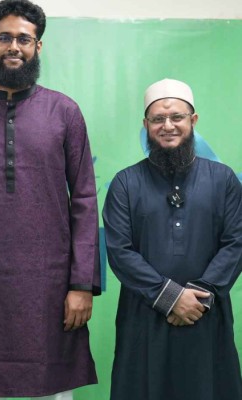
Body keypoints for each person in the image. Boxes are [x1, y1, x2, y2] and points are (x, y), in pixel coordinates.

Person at [0, 0, 101, 398]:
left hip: (50, 289)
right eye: (4, 38)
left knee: (53, 387)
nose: (14, 47)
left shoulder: (64, 112)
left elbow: (84, 200)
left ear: (38, 46)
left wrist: (82, 284)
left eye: (24, 39)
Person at [103, 78, 242, 400]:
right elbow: (120, 251)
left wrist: (200, 296)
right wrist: (169, 298)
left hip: (205, 315)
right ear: (146, 125)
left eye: (177, 117)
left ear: (193, 121)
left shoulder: (223, 180)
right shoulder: (125, 183)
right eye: (158, 119)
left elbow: (236, 243)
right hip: (144, 318)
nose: (168, 126)